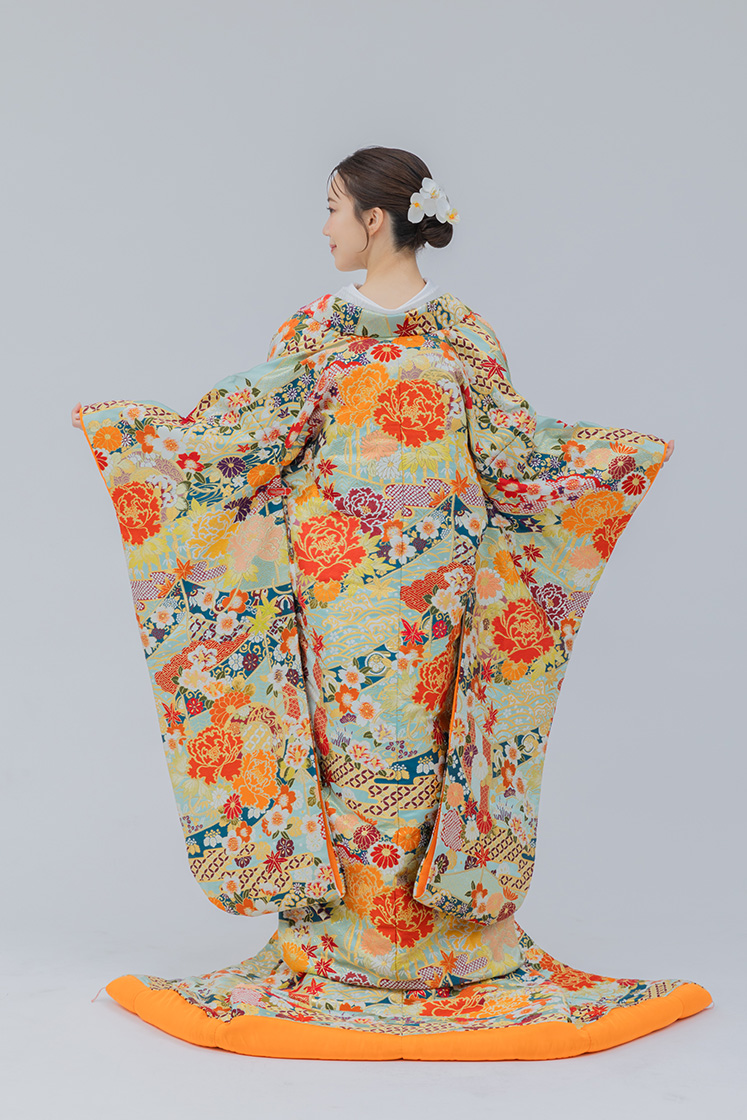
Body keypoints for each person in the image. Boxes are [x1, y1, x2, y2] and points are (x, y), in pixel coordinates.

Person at [72, 146, 708, 1060]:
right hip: (332, 584)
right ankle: (334, 947)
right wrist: (142, 442)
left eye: (332, 208)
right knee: (344, 750)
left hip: (441, 588)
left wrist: (606, 463)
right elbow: (244, 441)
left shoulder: (462, 334)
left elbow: (516, 455)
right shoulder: (312, 330)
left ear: (376, 218)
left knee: (433, 747)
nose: (324, 226)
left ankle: (444, 944)